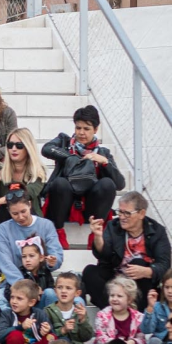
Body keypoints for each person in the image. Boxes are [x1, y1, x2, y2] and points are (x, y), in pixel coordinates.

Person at [42, 105, 126, 249]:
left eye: (86, 129)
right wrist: (72, 158)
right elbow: (46, 149)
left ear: (96, 129)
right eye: (78, 128)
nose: (81, 133)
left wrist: (104, 162)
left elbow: (120, 184)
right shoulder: (64, 142)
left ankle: (95, 235)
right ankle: (58, 231)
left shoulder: (103, 152)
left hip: (90, 206)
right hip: (64, 203)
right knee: (60, 183)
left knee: (107, 184)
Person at [84, 191, 171, 310]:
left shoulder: (157, 231)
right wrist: (98, 237)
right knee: (90, 272)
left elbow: (165, 264)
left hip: (141, 284)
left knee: (138, 263)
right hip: (115, 278)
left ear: (141, 213)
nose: (122, 217)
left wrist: (147, 271)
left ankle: (136, 314)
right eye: (120, 212)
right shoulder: (113, 226)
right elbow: (104, 255)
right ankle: (112, 314)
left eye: (127, 213)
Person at [0, 128, 46, 277]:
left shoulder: (37, 171)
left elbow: (27, 194)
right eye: (10, 145)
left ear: (28, 147)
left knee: (10, 208)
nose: (13, 149)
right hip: (3, 224)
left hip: (28, 221)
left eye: (19, 145)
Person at [0, 187, 63, 308]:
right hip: (14, 284)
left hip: (41, 283)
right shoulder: (3, 229)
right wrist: (25, 287)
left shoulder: (46, 225)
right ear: (9, 211)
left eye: (23, 211)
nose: (20, 217)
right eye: (15, 213)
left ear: (30, 205)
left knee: (51, 294)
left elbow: (56, 253)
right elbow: (5, 262)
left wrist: (52, 261)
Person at [0, 280, 52, 344]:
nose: (14, 301)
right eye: (12, 297)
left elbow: (51, 335)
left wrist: (45, 332)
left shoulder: (40, 314)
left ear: (31, 302)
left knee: (51, 337)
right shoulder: (7, 314)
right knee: (15, 335)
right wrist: (20, 327)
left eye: (19, 298)